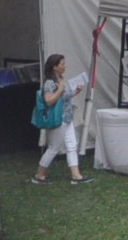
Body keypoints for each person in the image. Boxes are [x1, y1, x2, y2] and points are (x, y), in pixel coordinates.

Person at [30, 53, 87, 185]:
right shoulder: (50, 83)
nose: (64, 66)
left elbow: (64, 98)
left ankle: (76, 175)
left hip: (67, 118)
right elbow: (49, 100)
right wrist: (60, 89)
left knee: (72, 145)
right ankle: (40, 174)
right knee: (53, 148)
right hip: (57, 118)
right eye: (62, 64)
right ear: (55, 67)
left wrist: (75, 91)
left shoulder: (60, 80)